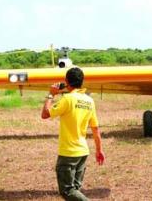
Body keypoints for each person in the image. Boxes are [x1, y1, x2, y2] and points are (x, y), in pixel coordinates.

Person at [41, 67, 105, 201]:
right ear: (82, 81)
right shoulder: (89, 101)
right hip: (83, 152)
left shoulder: (68, 99)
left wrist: (51, 94)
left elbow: (45, 114)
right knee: (75, 190)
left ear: (66, 81)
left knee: (67, 191)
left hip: (68, 153)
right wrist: (99, 150)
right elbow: (95, 128)